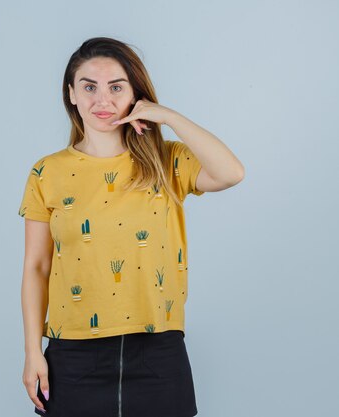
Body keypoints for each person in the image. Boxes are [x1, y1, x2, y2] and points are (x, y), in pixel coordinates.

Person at [18, 37, 245, 417]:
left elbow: (231, 172)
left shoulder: (166, 161)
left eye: (116, 87)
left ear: (136, 95)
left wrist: (168, 117)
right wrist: (31, 353)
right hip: (73, 354)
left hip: (157, 350)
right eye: (89, 87)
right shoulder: (47, 172)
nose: (102, 100)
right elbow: (36, 268)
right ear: (71, 94)